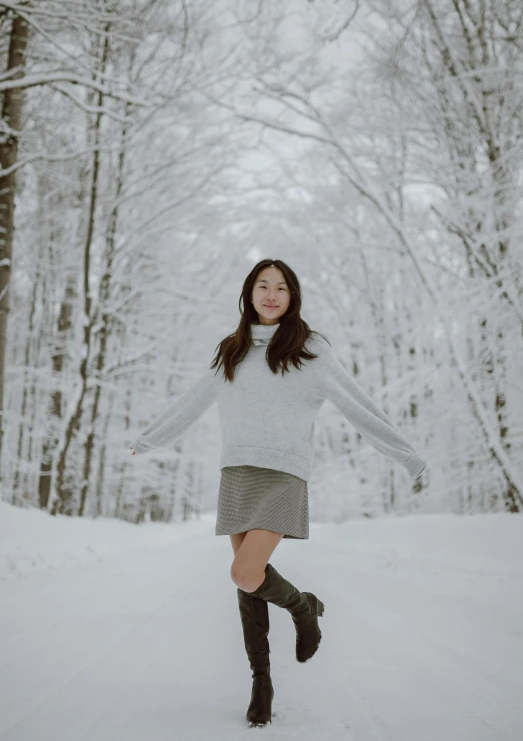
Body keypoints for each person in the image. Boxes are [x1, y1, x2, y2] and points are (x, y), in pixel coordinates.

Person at [131, 258, 428, 728]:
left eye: (282, 288)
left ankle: (303, 608)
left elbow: (357, 404)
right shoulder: (232, 349)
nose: (271, 295)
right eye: (263, 286)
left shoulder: (309, 350)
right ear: (249, 293)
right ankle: (261, 681)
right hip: (238, 473)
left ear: (293, 297)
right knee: (248, 582)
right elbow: (192, 400)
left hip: (284, 474)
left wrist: (407, 454)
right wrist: (149, 439)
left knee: (246, 573)